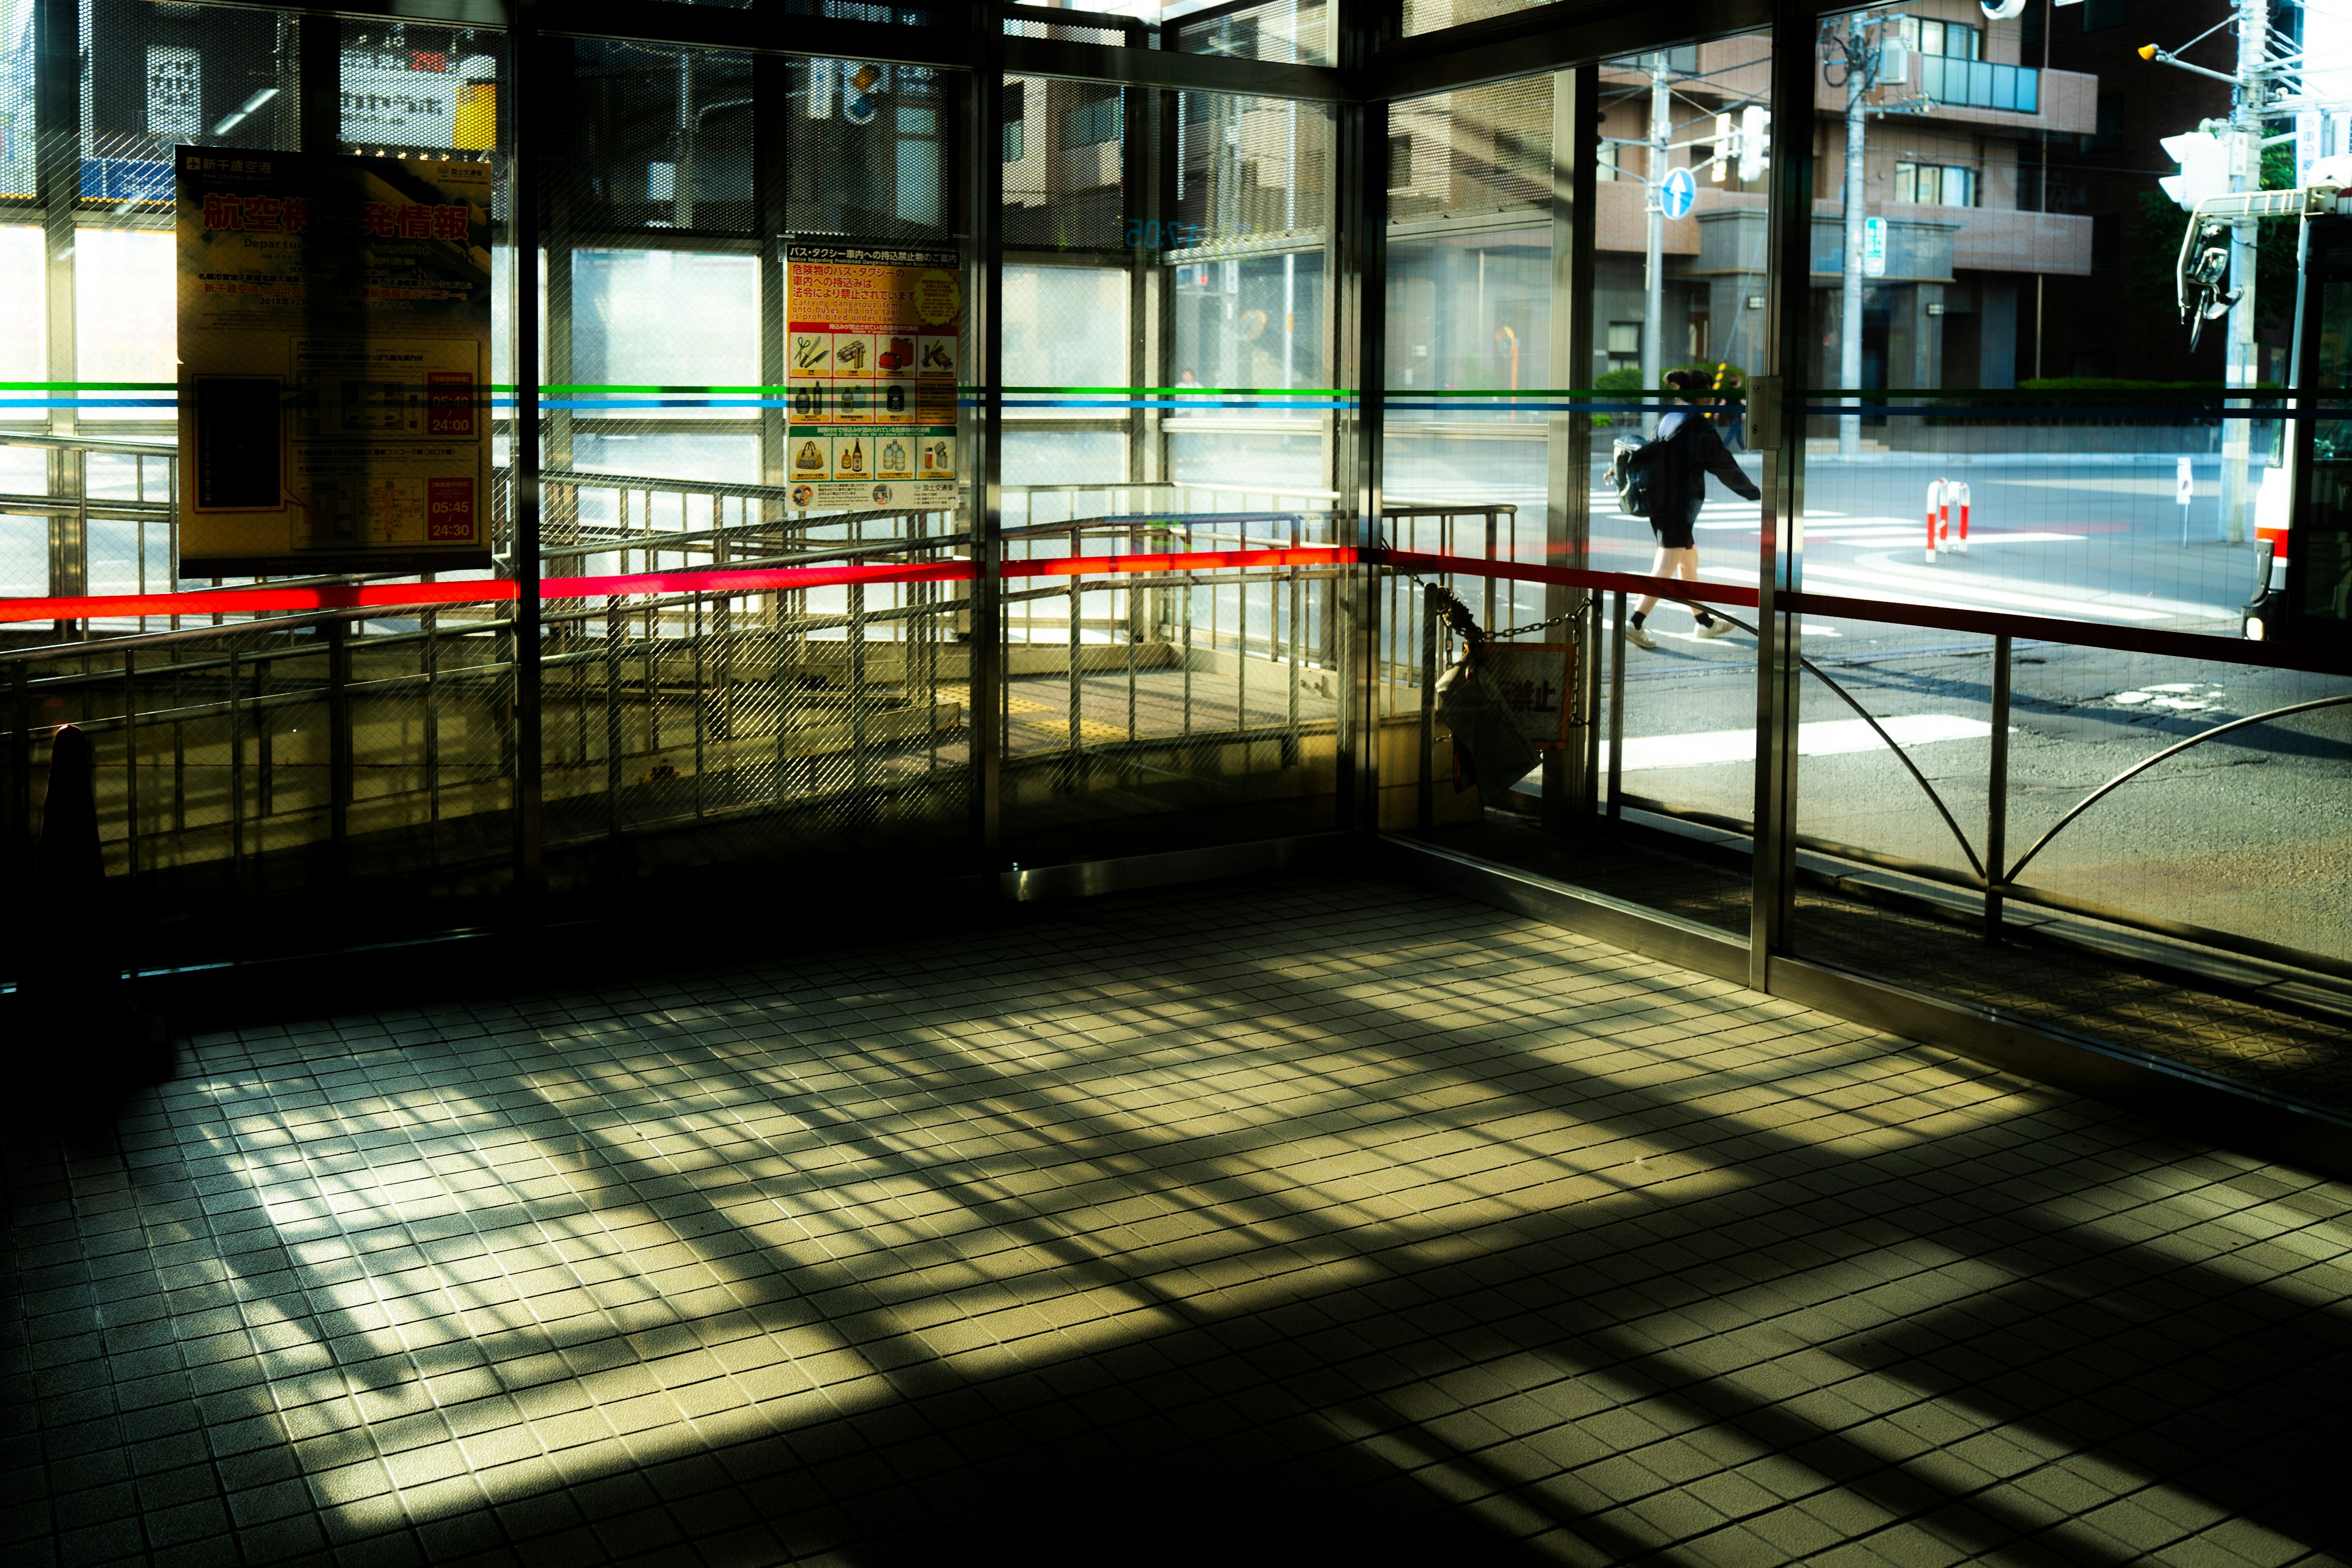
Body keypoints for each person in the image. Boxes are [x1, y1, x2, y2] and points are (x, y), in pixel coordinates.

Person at [1621, 368, 1761, 650]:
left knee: (1689, 564)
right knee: (1664, 569)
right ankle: (1635, 622)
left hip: (1659, 501)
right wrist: (1755, 494)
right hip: (1679, 506)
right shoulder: (1698, 427)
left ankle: (1705, 624)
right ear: (1703, 396)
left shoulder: (1667, 419)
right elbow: (1724, 466)